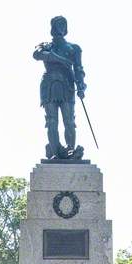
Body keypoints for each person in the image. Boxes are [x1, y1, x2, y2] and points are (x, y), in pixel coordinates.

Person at [33, 15, 86, 160]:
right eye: (57, 25)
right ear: (52, 28)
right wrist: (59, 59)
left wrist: (81, 85)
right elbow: (36, 54)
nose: (59, 28)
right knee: (51, 121)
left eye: (62, 25)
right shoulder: (45, 46)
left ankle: (70, 150)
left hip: (67, 85)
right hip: (49, 85)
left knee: (69, 120)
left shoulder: (74, 48)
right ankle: (55, 149)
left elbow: (79, 69)